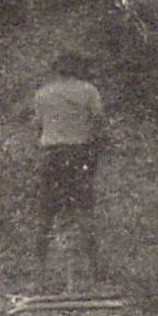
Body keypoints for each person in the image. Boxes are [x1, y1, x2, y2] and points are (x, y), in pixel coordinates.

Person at [31, 50, 104, 284]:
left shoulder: (43, 93)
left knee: (45, 212)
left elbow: (39, 127)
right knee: (84, 211)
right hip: (78, 153)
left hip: (51, 154)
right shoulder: (88, 91)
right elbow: (98, 122)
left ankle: (38, 271)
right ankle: (95, 269)